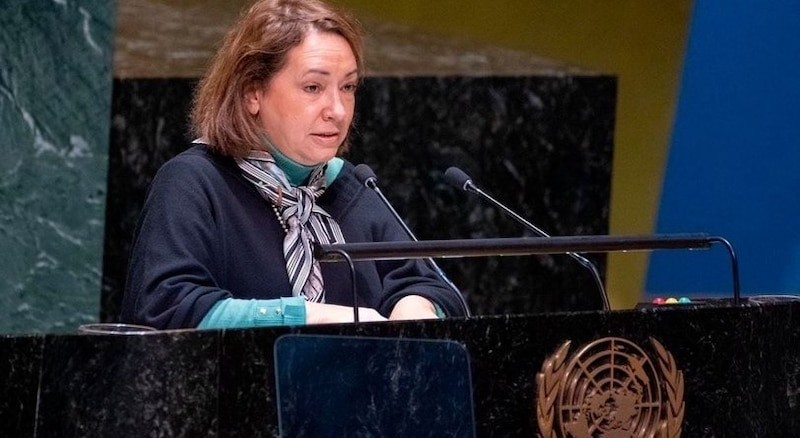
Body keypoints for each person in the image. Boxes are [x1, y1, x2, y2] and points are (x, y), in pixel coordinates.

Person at [121, 0, 468, 330]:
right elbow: (166, 306)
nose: (338, 110)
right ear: (252, 93)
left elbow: (432, 287)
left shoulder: (352, 188)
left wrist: (417, 306)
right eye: (313, 87)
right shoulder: (194, 182)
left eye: (347, 86)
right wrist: (309, 317)